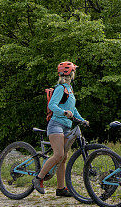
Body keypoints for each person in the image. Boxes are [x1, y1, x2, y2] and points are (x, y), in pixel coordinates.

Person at [32, 61, 89, 196]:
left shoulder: (69, 89)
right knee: (59, 154)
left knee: (63, 158)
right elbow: (52, 105)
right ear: (70, 73)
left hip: (66, 126)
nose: (75, 73)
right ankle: (38, 179)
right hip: (56, 124)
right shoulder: (60, 88)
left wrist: (82, 120)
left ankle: (60, 189)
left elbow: (72, 109)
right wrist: (63, 113)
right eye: (74, 71)